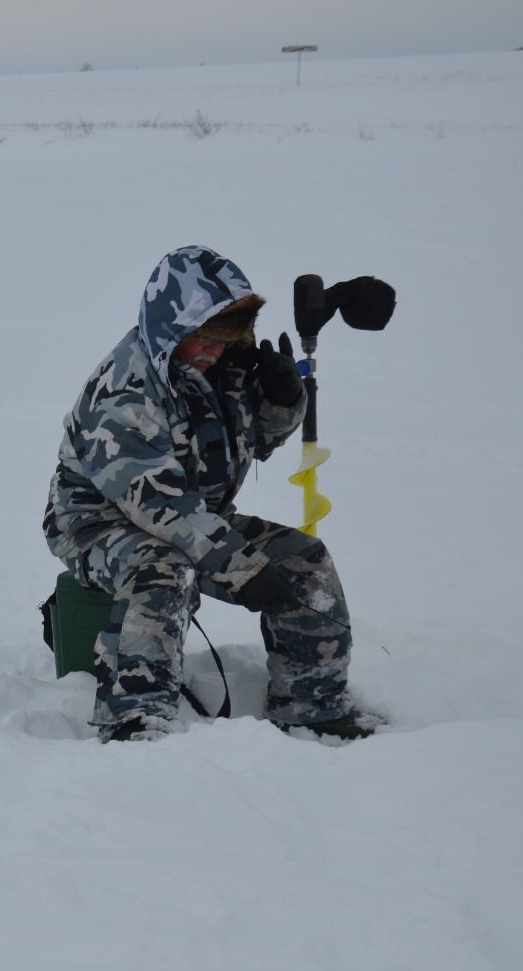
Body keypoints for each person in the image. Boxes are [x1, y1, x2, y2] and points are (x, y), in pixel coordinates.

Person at [43, 245, 377, 743]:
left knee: (304, 560)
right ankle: (136, 717)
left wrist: (285, 401)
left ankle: (314, 706)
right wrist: (241, 569)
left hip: (198, 515)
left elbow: (250, 443)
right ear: (170, 328)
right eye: (202, 338)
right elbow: (162, 507)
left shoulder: (219, 369)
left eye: (224, 340)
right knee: (163, 570)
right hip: (99, 523)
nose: (212, 352)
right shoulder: (125, 391)